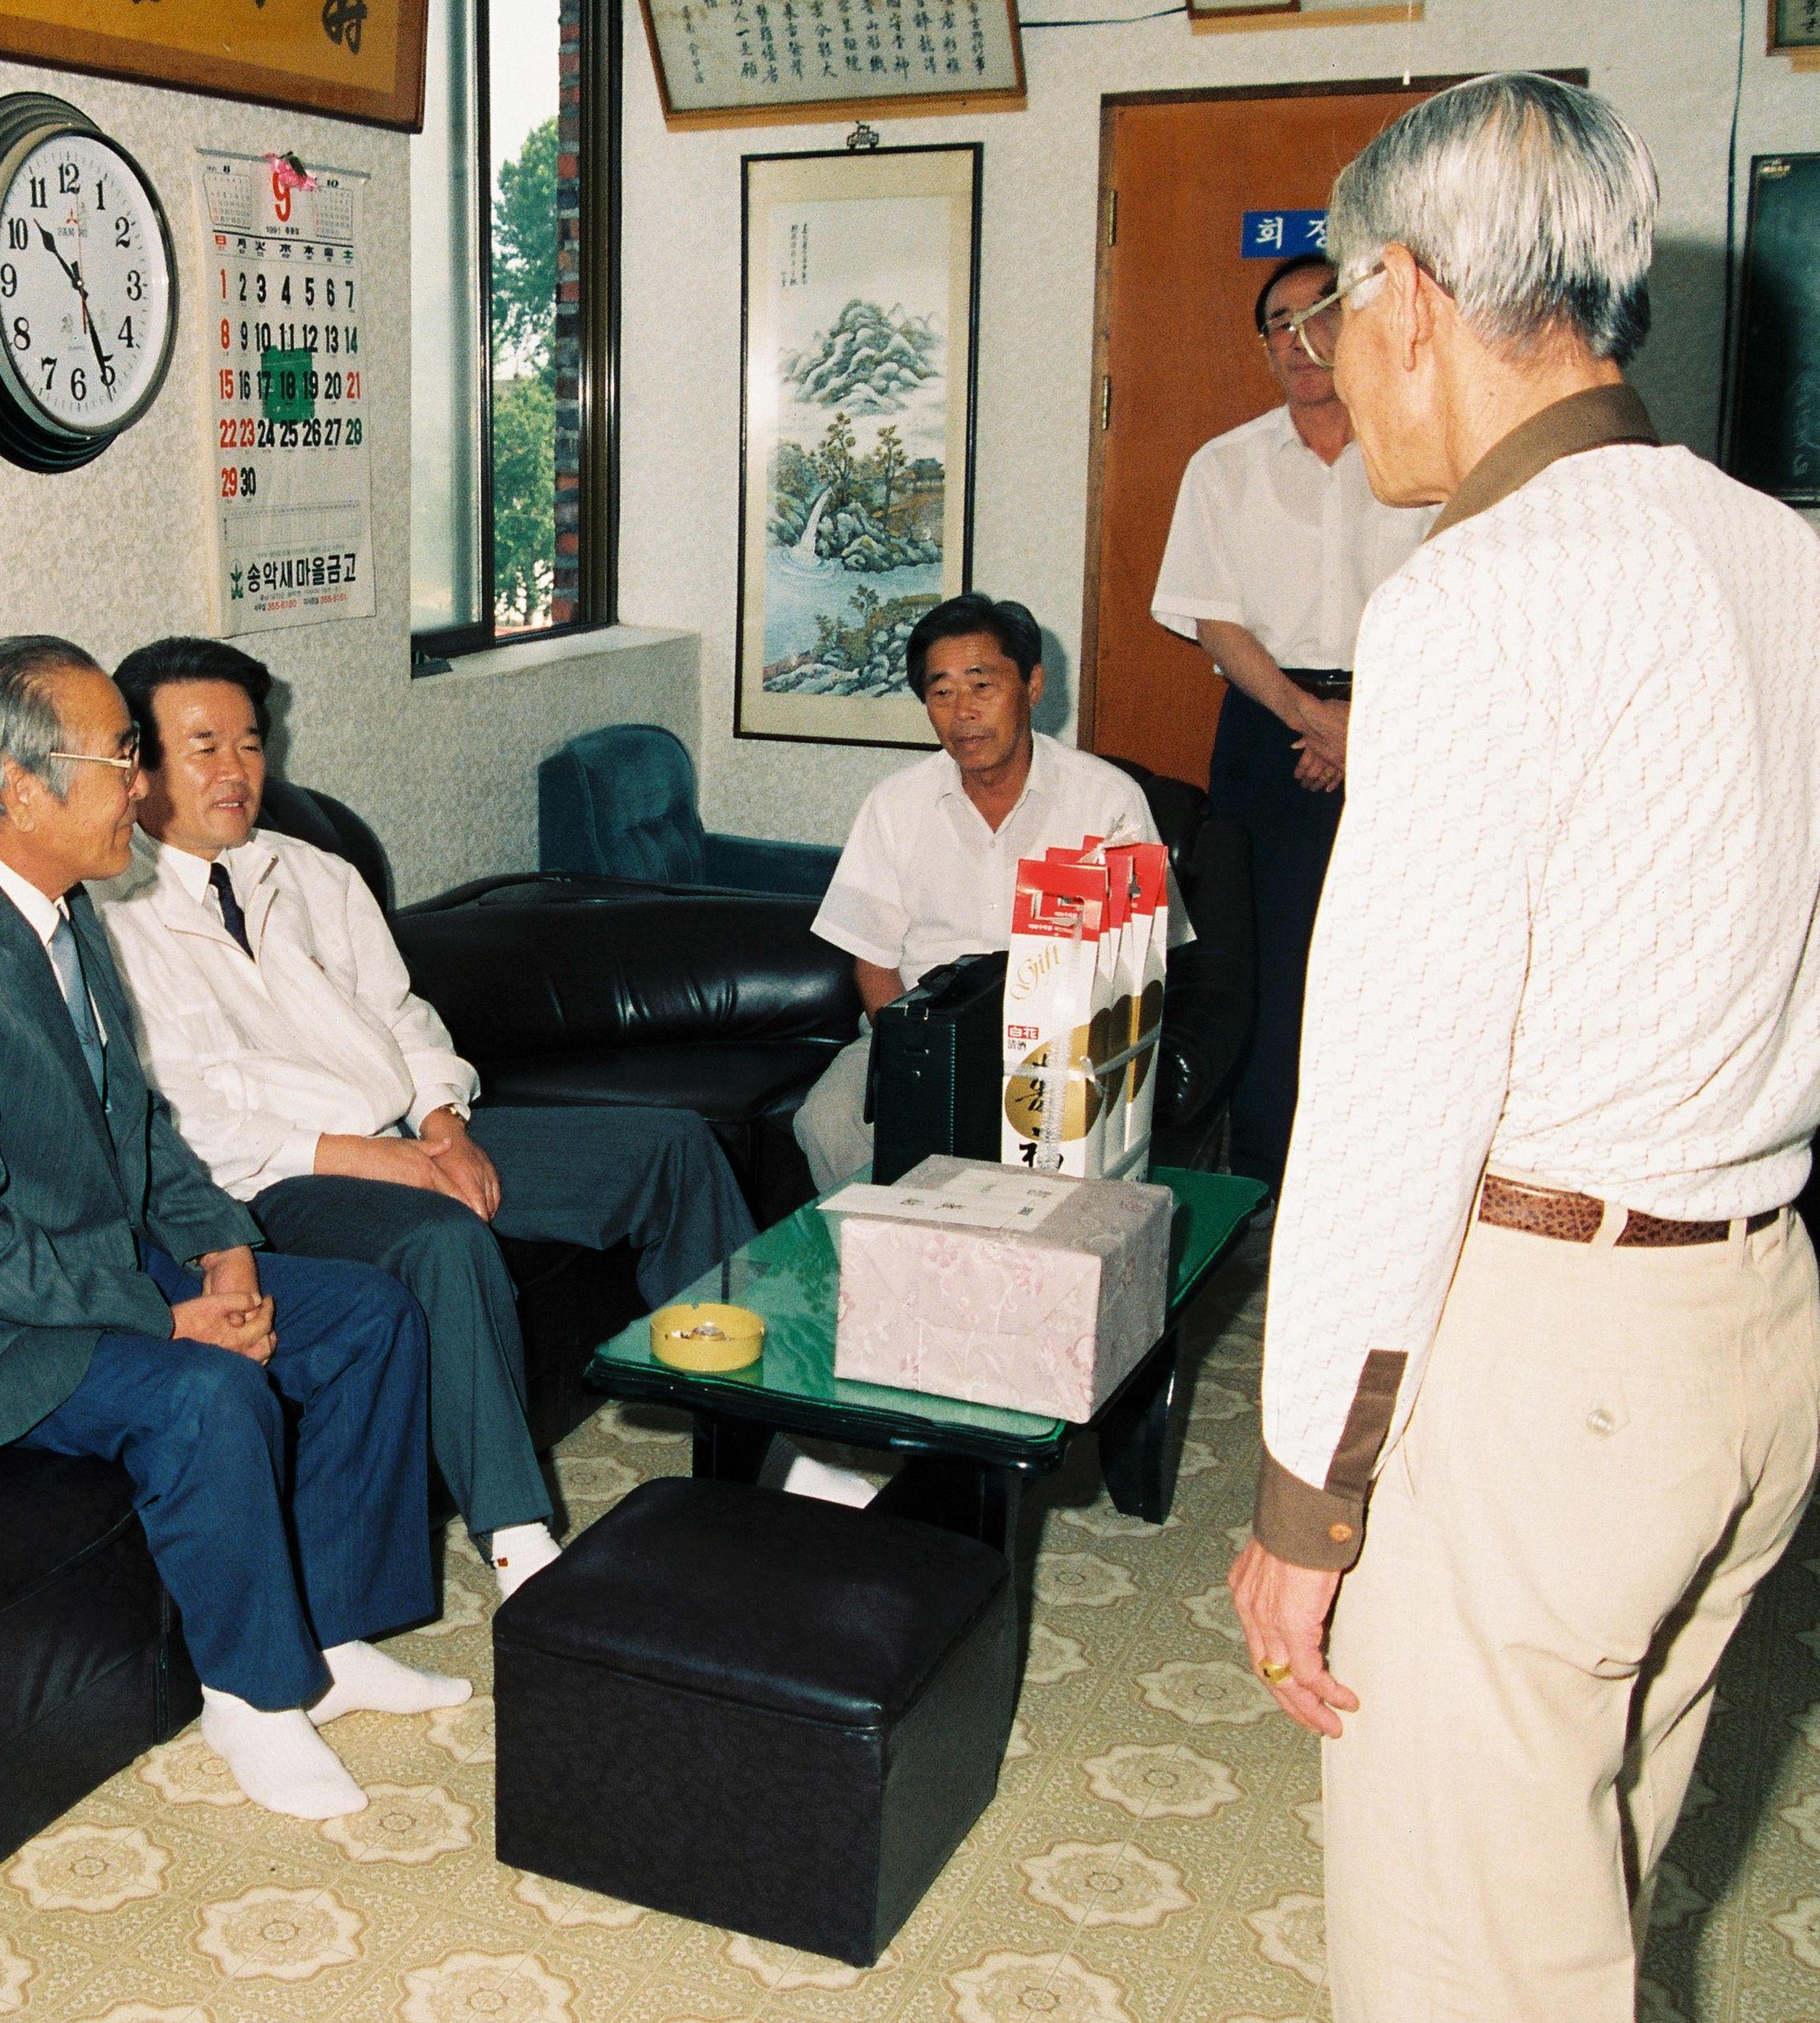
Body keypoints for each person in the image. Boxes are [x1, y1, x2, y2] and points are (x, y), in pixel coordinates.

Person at [1228, 75, 1820, 2023]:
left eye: (1334, 311)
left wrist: (1305, 1500)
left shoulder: (1476, 598)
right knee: (1578, 1910)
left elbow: (1392, 1100)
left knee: (1475, 2020)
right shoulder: (1774, 551)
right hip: (1752, 1330)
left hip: (1547, 1375)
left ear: (1412, 296)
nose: (1331, 361)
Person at [0, 635, 457, 1824]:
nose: (144, 787)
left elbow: (142, 1122)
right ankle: (253, 1697)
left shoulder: (64, 912)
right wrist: (169, 1317)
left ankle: (334, 1631)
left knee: (368, 1314)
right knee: (207, 1391)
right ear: (21, 788)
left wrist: (223, 1246)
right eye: (121, 759)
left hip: (91, 1267)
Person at [92, 637, 755, 1599]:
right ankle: (517, 1538)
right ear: (138, 764)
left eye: (249, 743)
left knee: (670, 1147)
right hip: (269, 1186)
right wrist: (378, 1161)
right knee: (441, 1240)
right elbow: (183, 1122)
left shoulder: (313, 873)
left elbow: (402, 1016)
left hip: (403, 1135)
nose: (233, 771)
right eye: (202, 748)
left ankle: (756, 1438)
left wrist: (442, 1124)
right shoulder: (109, 919)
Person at [1151, 256, 1435, 1195]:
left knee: (1395, 952)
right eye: (1280, 323)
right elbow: (1213, 620)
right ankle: (1265, 1181)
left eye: (1323, 316)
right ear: (1263, 347)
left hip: (1404, 715)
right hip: (1266, 723)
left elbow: (1451, 607)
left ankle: (1384, 1181)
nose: (1300, 340)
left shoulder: (1426, 464)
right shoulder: (1223, 465)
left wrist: (1369, 723)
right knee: (1266, 957)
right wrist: (1313, 719)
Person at [790, 594, 1176, 1194]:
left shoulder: (1109, 800)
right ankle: (895, 1249)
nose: (963, 712)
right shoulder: (895, 804)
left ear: (1033, 685)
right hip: (925, 1032)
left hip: (1064, 1042)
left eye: (982, 685)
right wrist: (917, 1055)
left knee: (1047, 1163)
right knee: (826, 1121)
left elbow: (1140, 960)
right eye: (941, 692)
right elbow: (874, 960)